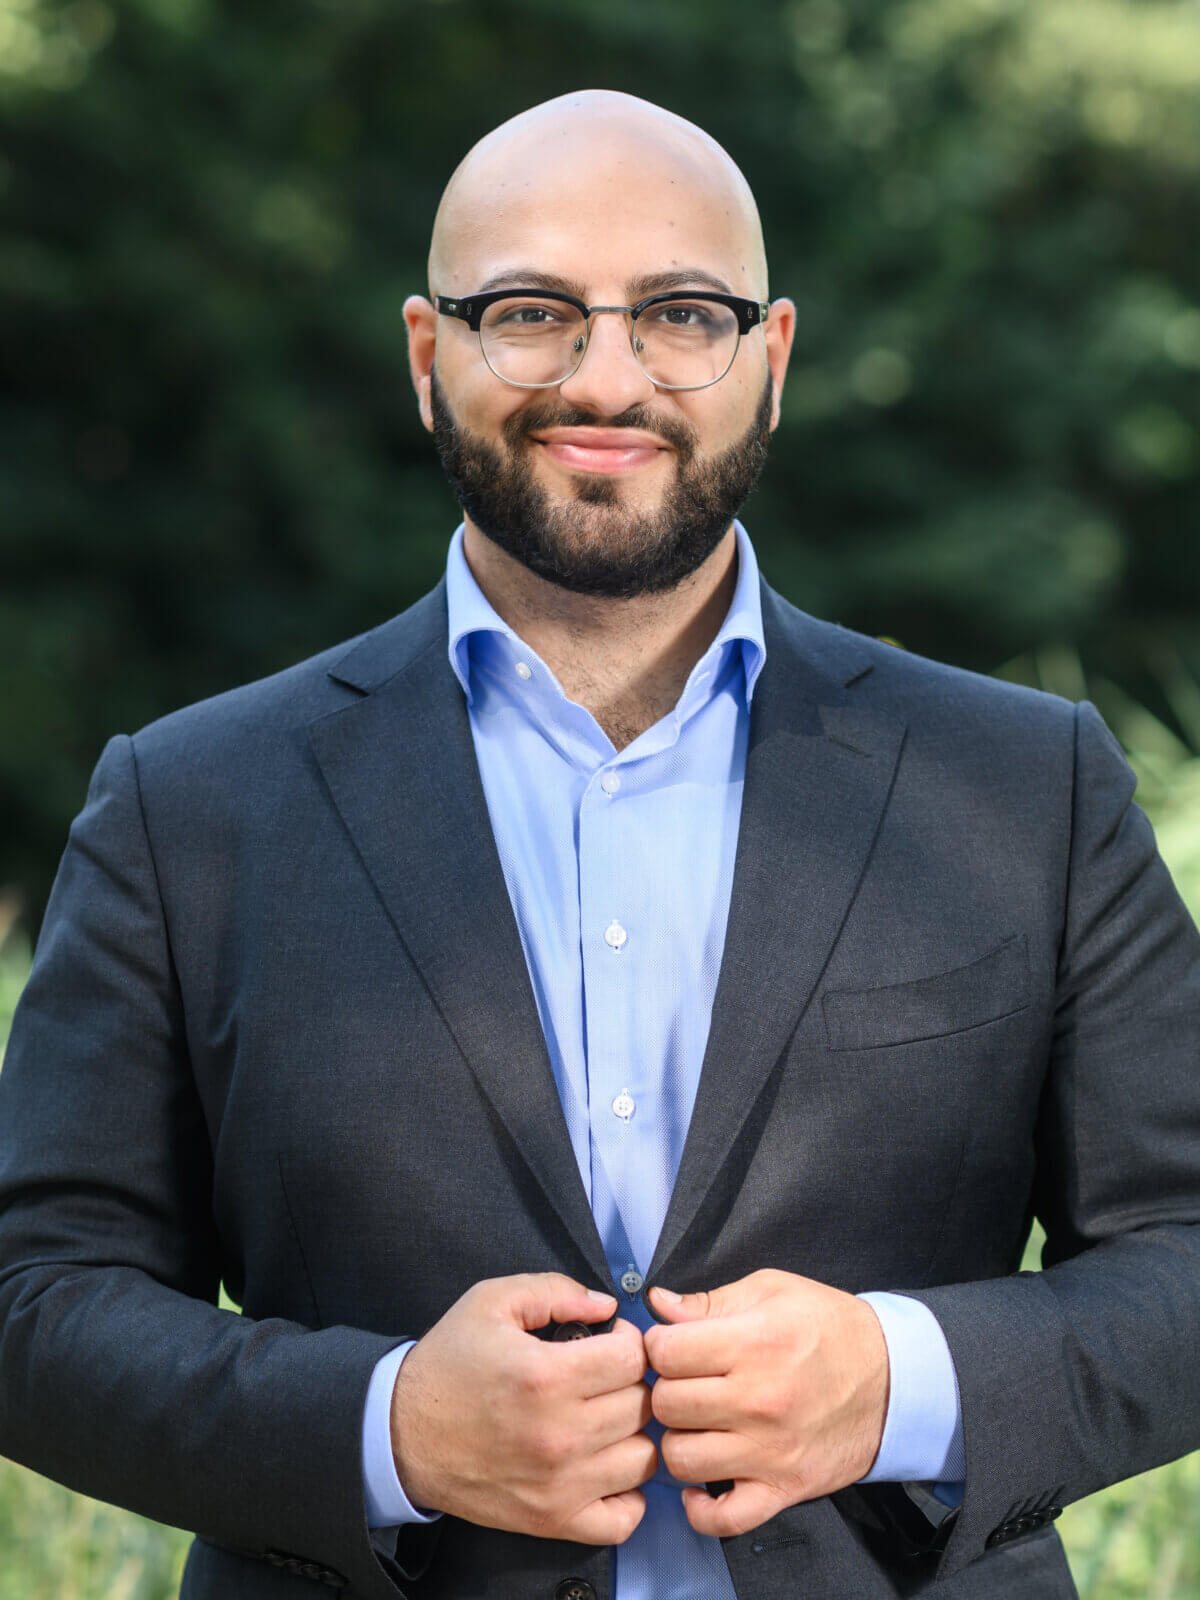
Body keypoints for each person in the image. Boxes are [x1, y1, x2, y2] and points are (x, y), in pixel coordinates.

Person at [0, 88, 1197, 1600]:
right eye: (532, 313)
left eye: (683, 314)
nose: (607, 378)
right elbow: (35, 1303)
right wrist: (385, 1428)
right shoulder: (187, 807)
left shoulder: (1032, 787)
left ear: (772, 361)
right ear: (428, 357)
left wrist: (901, 1380)